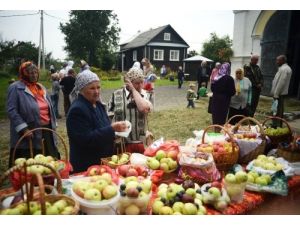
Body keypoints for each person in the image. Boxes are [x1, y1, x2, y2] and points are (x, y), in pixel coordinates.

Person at [66, 70, 127, 173]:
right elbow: (85, 139)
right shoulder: (77, 110)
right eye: (92, 88)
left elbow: (102, 127)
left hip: (102, 163)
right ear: (81, 90)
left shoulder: (98, 104)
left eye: (98, 87)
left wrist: (115, 134)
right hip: (86, 166)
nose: (97, 91)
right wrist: (111, 129)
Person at [6, 61, 60, 167]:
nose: (34, 75)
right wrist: (23, 129)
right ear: (23, 74)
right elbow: (11, 110)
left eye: (36, 72)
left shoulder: (40, 87)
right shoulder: (15, 88)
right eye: (30, 73)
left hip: (47, 130)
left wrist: (53, 124)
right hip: (29, 131)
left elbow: (49, 108)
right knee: (31, 162)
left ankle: (47, 181)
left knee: (49, 160)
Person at [108, 67, 152, 154]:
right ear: (129, 83)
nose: (140, 86)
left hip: (140, 142)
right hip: (121, 142)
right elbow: (109, 115)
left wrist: (133, 89)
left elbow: (143, 109)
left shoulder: (145, 95)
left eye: (141, 82)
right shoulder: (116, 95)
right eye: (136, 83)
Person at [211, 62, 236, 127]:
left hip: (215, 99)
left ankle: (215, 130)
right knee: (222, 117)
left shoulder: (216, 77)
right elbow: (232, 92)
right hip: (224, 100)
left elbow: (212, 88)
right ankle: (220, 132)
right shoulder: (229, 78)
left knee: (215, 116)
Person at [270, 55, 292, 127]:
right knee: (276, 110)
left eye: (278, 60)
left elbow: (281, 82)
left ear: (283, 60)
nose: (277, 62)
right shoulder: (283, 68)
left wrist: (276, 94)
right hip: (278, 94)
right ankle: (275, 124)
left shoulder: (284, 69)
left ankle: (276, 126)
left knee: (277, 111)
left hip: (279, 94)